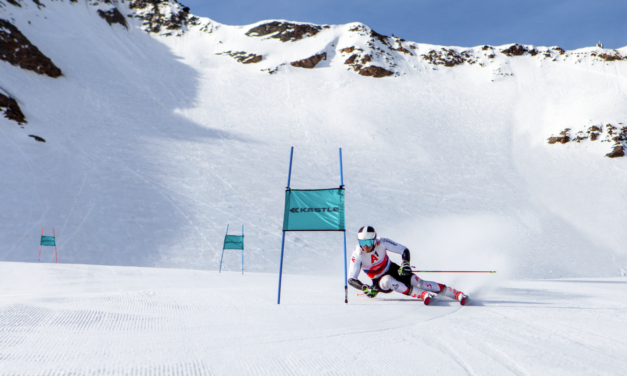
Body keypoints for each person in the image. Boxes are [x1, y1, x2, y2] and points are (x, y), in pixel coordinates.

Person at [348, 226, 468, 305]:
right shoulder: (357, 253)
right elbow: (351, 279)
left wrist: (405, 264)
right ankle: (421, 294)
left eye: (368, 242)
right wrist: (364, 287)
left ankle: (456, 294)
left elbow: (403, 249)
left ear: (374, 240)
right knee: (387, 280)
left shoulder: (382, 242)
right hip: (378, 280)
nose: (365, 247)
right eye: (362, 242)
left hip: (392, 268)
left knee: (420, 283)